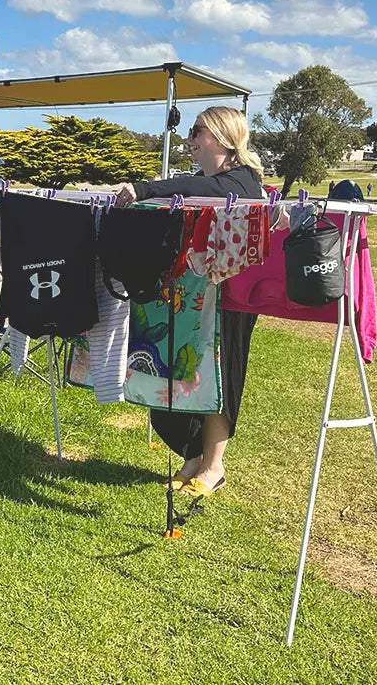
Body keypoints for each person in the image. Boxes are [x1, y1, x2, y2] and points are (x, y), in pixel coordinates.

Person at [113, 105, 264, 499]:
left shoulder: (243, 182)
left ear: (221, 136)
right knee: (188, 373)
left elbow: (204, 193)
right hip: (198, 298)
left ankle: (214, 467)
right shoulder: (206, 181)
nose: (191, 139)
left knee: (220, 378)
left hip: (233, 299)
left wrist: (144, 189)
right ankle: (194, 457)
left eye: (198, 131)